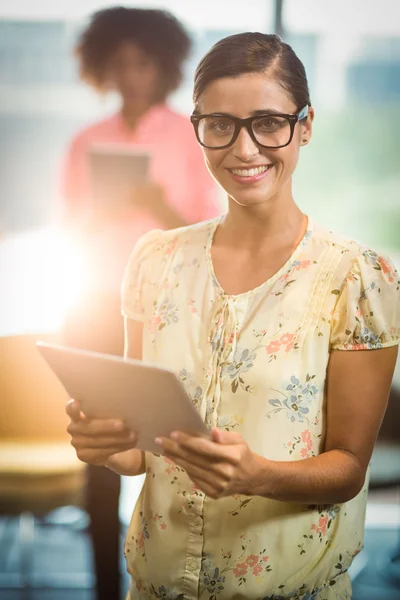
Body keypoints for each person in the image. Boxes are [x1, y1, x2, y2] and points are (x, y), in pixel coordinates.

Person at [66, 32, 400, 600]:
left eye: (268, 122)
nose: (244, 149)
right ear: (199, 128)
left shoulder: (359, 277)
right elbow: (138, 452)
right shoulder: (154, 260)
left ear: (306, 125)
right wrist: (106, 443)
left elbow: (348, 468)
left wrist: (258, 475)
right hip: (155, 586)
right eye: (220, 124)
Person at [62, 7, 220, 600]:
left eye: (143, 62)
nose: (131, 74)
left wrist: (156, 206)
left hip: (168, 314)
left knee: (176, 447)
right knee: (101, 455)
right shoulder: (85, 141)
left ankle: (188, 581)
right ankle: (107, 588)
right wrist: (95, 215)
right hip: (96, 307)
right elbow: (69, 228)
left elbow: (210, 230)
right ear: (105, 67)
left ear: (163, 68)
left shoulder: (189, 135)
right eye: (120, 62)